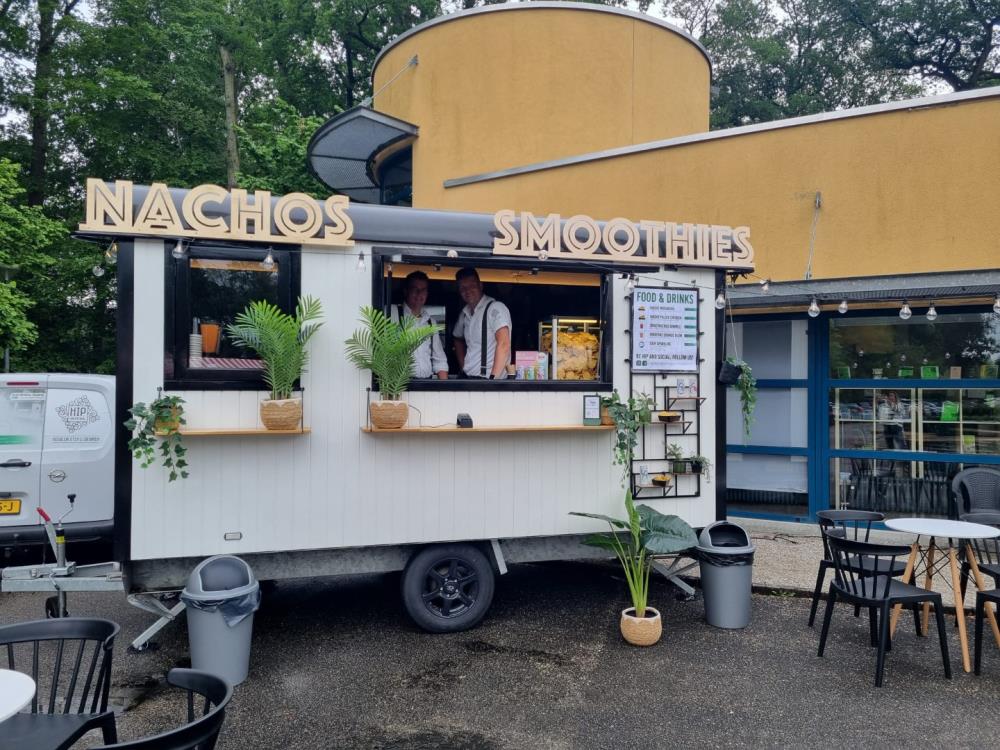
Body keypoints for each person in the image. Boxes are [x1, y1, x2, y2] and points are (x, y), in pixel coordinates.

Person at [452, 267, 512, 379]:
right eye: (463, 288)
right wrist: (463, 367)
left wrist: (492, 381)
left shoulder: (495, 308)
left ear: (480, 285)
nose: (467, 291)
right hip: (468, 378)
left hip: (488, 380)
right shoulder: (464, 313)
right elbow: (457, 338)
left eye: (472, 286)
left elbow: (504, 344)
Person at [391, 271, 448, 380]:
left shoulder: (431, 322)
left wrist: (446, 388)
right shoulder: (392, 314)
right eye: (415, 289)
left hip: (426, 384)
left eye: (423, 290)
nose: (419, 293)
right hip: (399, 385)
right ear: (406, 291)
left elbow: (440, 361)